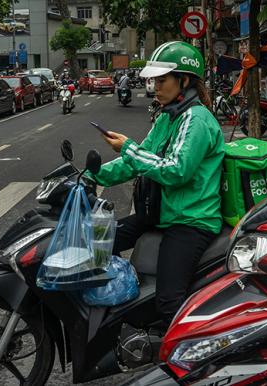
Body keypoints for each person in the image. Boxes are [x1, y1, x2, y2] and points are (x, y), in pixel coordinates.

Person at [89, 41, 225, 326]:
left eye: (162, 80)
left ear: (184, 80)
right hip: (162, 213)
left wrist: (128, 148)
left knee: (169, 302)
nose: (156, 86)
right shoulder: (167, 117)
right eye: (155, 80)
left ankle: (184, 359)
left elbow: (176, 171)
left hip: (191, 221)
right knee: (98, 244)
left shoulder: (196, 119)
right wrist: (91, 176)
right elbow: (137, 161)